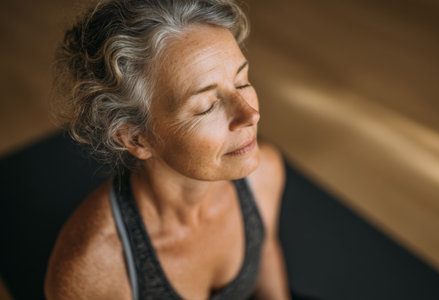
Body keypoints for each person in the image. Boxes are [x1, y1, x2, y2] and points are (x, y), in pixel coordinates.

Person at [45, 0, 290, 299]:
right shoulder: (93, 268)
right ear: (136, 139)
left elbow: (265, 255)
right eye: (207, 106)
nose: (250, 114)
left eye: (241, 82)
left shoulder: (264, 173)